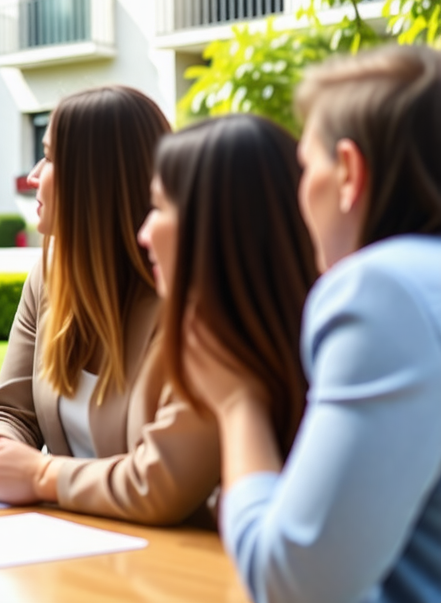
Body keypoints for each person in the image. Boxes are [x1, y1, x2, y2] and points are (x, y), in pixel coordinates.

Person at [168, 47, 441, 603]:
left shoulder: (381, 291)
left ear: (349, 172)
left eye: (307, 167)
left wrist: (237, 403)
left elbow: (292, 582)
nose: (298, 196)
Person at [0, 86, 222, 526]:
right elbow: (10, 409)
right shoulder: (49, 274)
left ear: (96, 179)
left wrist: (41, 474)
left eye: (51, 157)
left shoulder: (190, 299)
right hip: (71, 555)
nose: (34, 175)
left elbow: (162, 482)